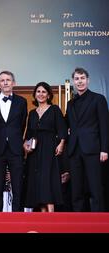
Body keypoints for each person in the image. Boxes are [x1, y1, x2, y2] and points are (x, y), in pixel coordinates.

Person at [66, 67, 108, 212]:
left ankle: (98, 221)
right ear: (73, 81)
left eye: (82, 78)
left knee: (95, 187)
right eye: (77, 78)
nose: (80, 81)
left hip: (93, 149)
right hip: (74, 149)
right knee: (76, 188)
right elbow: (69, 124)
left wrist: (104, 149)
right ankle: (78, 220)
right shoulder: (70, 103)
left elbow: (104, 125)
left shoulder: (98, 99)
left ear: (88, 80)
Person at [23, 82, 66, 212]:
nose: (41, 94)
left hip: (50, 149)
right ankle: (43, 215)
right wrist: (26, 145)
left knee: (48, 179)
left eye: (43, 92)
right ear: (35, 95)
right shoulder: (32, 113)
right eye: (38, 92)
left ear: (48, 95)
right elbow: (29, 133)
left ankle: (51, 215)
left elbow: (62, 129)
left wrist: (62, 144)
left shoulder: (54, 110)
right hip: (35, 152)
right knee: (37, 181)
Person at [0, 71, 27, 212]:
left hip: (16, 148)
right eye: (2, 80)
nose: (5, 82)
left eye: (8, 80)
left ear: (14, 83)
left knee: (18, 185)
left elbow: (22, 124)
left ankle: (18, 217)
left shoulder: (22, 102)